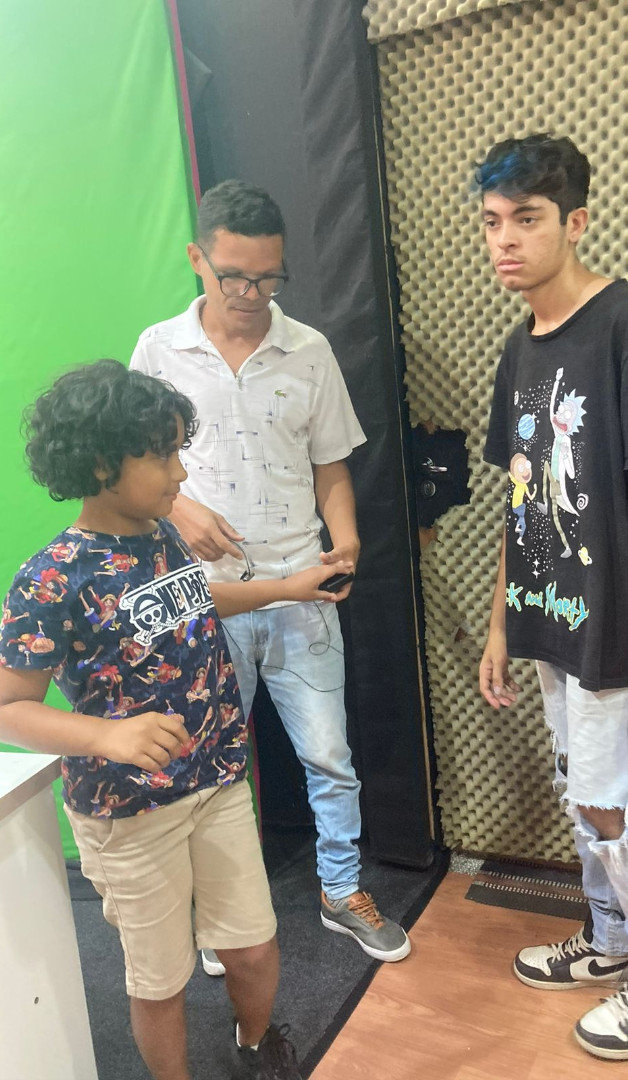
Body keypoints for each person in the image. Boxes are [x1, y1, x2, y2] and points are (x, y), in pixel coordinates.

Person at [0, 360, 355, 1080]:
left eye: (179, 450)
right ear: (101, 463)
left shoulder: (160, 536)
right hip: (129, 811)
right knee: (161, 979)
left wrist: (287, 587)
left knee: (253, 946)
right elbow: (4, 712)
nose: (180, 473)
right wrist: (104, 735)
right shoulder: (51, 578)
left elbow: (196, 599)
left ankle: (256, 1047)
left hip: (216, 780)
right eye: (161, 455)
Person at [477, 134, 628, 1061]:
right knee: (580, 790)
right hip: (551, 617)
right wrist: (501, 624)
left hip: (617, 628)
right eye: (492, 222)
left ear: (575, 222)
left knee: (614, 801)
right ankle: (614, 937)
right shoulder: (520, 344)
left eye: (527, 220)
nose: (505, 240)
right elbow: (519, 496)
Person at [129, 181, 410, 970]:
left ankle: (341, 890)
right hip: (201, 594)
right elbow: (134, 468)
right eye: (234, 278)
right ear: (198, 259)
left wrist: (345, 541)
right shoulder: (158, 350)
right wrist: (181, 509)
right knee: (206, 762)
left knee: (330, 756)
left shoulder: (308, 349)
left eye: (268, 278)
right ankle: (223, 914)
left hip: (300, 584)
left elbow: (332, 468)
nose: (252, 295)